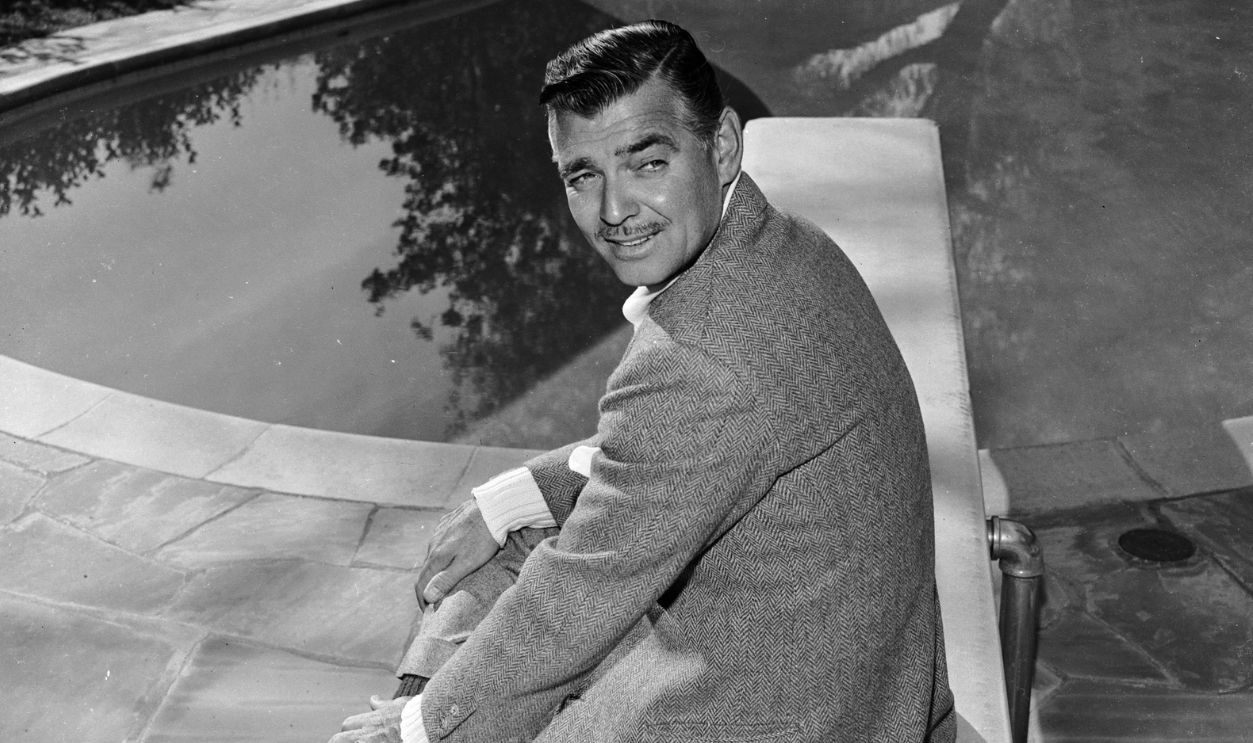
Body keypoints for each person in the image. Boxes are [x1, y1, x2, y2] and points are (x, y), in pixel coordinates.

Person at [332, 19, 954, 743]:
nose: (613, 210)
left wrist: (419, 729)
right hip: (828, 657)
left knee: (475, 636)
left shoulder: (702, 352)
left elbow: (583, 588)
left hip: (785, 710)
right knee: (501, 559)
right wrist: (519, 493)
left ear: (720, 146)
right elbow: (680, 453)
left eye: (645, 162)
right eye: (583, 174)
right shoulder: (783, 245)